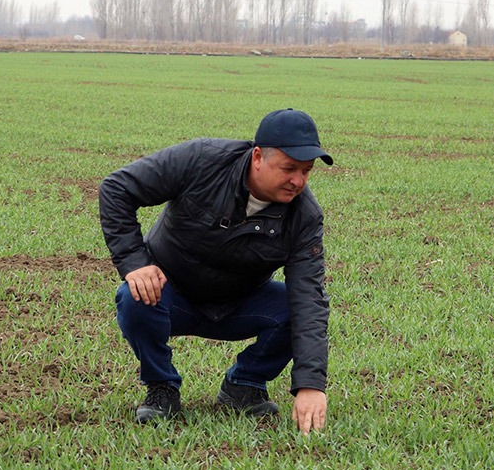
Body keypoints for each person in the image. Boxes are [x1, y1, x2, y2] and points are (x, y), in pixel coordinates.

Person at [99, 108, 331, 433]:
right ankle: (162, 387)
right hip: (170, 293)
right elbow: (116, 189)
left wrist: (310, 384)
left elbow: (309, 299)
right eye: (289, 168)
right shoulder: (201, 160)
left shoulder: (304, 216)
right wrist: (135, 263)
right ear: (258, 157)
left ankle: (244, 384)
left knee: (297, 308)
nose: (298, 181)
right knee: (133, 296)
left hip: (241, 303)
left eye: (306, 171)